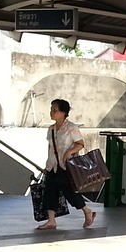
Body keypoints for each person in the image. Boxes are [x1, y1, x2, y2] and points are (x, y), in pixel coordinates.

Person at [36, 98, 96, 230]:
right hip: (53, 165)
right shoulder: (51, 129)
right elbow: (50, 148)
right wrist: (47, 165)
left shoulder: (71, 128)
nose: (52, 113)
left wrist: (70, 152)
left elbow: (80, 144)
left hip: (66, 166)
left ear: (63, 113)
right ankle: (51, 221)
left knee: (70, 192)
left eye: (55, 110)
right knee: (49, 192)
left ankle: (87, 211)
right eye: (51, 110)